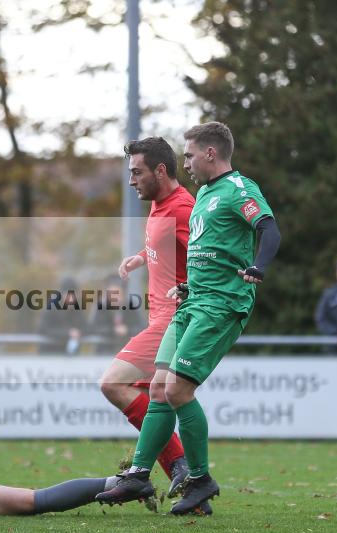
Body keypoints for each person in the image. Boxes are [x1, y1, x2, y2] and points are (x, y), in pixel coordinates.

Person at [97, 121, 281, 515]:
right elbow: (199, 252)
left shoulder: (232, 191)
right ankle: (141, 472)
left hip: (218, 305)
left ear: (210, 153)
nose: (187, 162)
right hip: (191, 302)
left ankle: (195, 475)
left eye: (191, 154)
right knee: (162, 388)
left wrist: (257, 268)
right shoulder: (203, 197)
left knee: (170, 390)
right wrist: (185, 283)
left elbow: (268, 227)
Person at [97, 136, 201, 512]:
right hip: (159, 318)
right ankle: (188, 482)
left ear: (161, 170)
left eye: (136, 172)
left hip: (173, 320)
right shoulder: (159, 206)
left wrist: (192, 289)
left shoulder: (185, 208)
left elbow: (209, 256)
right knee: (156, 398)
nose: (131, 181)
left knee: (113, 382)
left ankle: (174, 466)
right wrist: (142, 257)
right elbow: (168, 244)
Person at [89, 274, 144, 354]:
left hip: (128, 351)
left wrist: (127, 330)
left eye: (117, 294)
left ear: (123, 294)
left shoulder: (131, 307)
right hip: (103, 351)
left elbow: (142, 327)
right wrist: (113, 330)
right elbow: (92, 328)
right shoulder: (100, 308)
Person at [38, 278, 88, 354]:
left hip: (71, 357)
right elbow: (43, 329)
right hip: (49, 355)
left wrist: (79, 333)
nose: (71, 298)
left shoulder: (77, 310)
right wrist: (68, 333)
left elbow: (87, 327)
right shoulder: (51, 308)